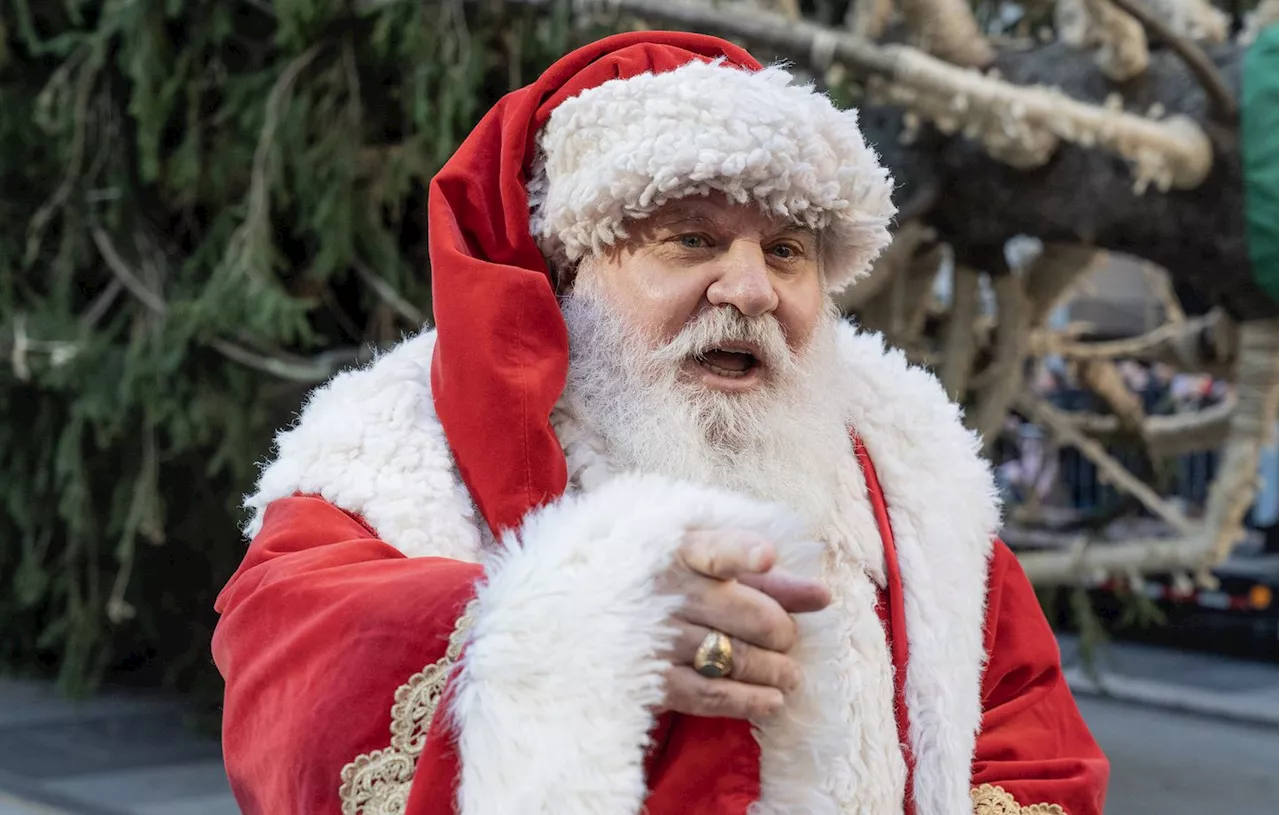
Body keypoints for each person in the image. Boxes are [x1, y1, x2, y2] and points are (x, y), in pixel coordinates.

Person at [213, 31, 1109, 815]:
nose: (751, 290)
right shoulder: (391, 456)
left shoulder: (910, 476)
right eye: (691, 238)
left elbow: (1030, 742)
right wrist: (580, 628)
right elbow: (293, 677)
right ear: (567, 272)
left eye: (787, 251)